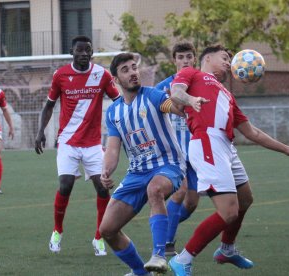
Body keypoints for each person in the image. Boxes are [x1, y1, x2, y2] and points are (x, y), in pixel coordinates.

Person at [167, 45, 289, 275]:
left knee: (245, 199)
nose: (228, 62)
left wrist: (286, 149)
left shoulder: (227, 94)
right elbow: (175, 92)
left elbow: (252, 132)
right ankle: (183, 259)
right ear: (207, 58)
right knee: (228, 212)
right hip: (207, 142)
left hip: (227, 146)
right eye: (225, 57)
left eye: (229, 59)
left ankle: (227, 249)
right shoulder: (192, 73)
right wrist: (190, 99)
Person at [99, 52, 207, 275]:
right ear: (116, 80)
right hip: (136, 173)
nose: (133, 72)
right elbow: (112, 148)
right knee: (107, 229)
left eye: (134, 67)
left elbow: (173, 107)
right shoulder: (113, 112)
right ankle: (140, 271)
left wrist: (187, 102)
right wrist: (106, 170)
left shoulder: (153, 96)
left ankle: (159, 255)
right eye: (126, 70)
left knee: (155, 189)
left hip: (169, 165)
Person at [34, 35, 120, 256]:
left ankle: (99, 237)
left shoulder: (102, 75)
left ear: (92, 52)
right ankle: (57, 231)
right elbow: (49, 105)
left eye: (87, 50)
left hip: (93, 144)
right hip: (68, 142)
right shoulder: (61, 75)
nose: (83, 53)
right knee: (65, 185)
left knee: (102, 187)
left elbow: (119, 102)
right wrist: (40, 131)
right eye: (79, 50)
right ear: (72, 52)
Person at [155, 42, 200, 256]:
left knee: (191, 203)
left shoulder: (201, 84)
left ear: (194, 59)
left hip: (197, 151)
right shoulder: (163, 87)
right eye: (180, 57)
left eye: (188, 57)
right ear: (174, 60)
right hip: (175, 152)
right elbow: (151, 113)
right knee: (180, 191)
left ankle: (162, 224)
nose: (185, 61)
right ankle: (167, 244)